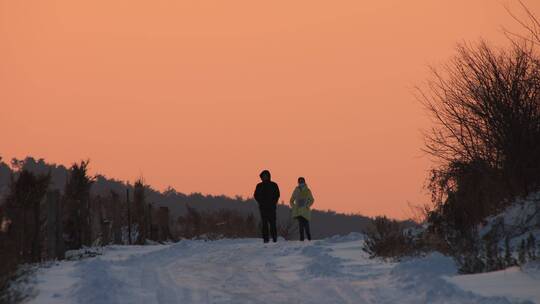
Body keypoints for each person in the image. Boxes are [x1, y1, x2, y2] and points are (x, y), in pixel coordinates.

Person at [253, 170, 280, 243]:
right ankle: (265, 239)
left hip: (272, 208)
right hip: (263, 208)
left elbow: (277, 194)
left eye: (266, 176)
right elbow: (255, 195)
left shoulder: (274, 185)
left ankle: (274, 238)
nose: (264, 177)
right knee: (264, 224)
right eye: (263, 176)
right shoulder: (259, 185)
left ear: (268, 176)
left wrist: (273, 202)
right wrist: (260, 202)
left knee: (273, 224)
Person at [289, 177, 314, 241]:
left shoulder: (308, 190)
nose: (301, 182)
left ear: (304, 182)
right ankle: (302, 240)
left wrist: (307, 206)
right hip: (298, 212)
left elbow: (312, 200)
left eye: (302, 181)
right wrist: (294, 207)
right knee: (301, 227)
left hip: (305, 212)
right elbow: (291, 200)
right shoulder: (296, 190)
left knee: (306, 227)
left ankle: (309, 240)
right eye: (299, 181)